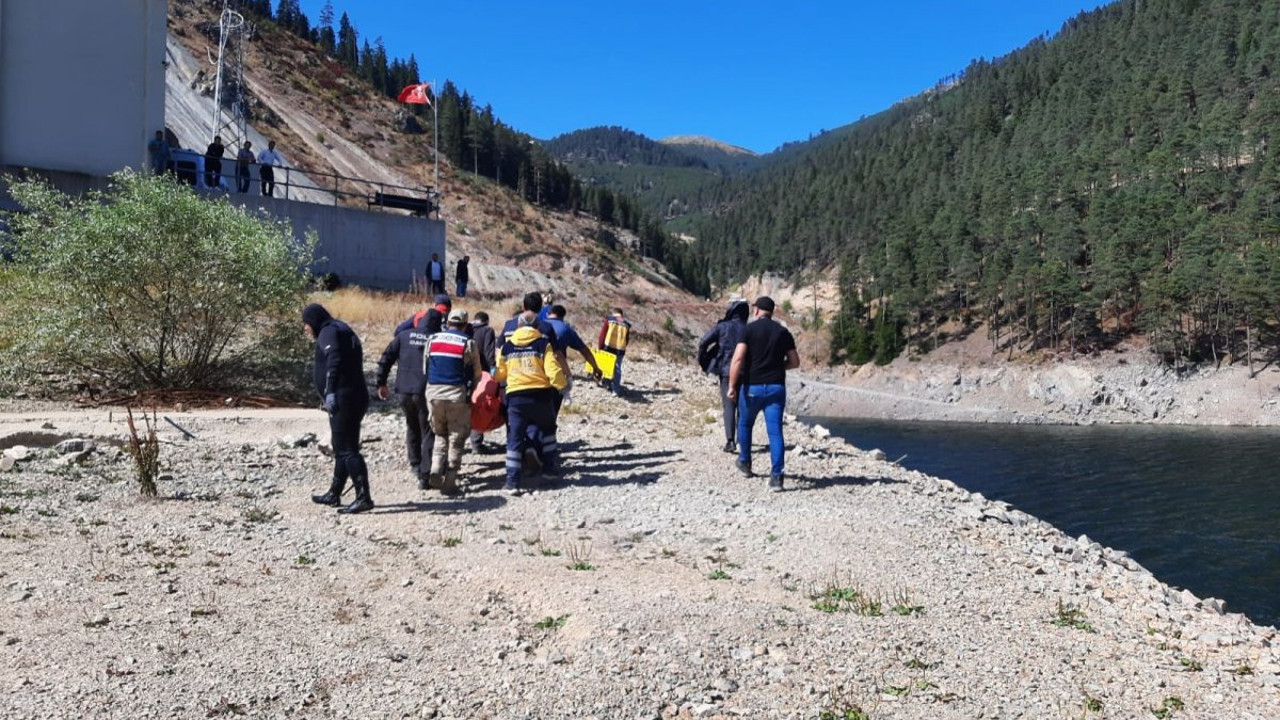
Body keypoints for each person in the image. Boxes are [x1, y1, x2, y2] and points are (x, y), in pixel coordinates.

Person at [303, 303, 375, 513]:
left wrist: (331, 391)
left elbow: (334, 359)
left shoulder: (328, 333)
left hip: (344, 397)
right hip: (354, 395)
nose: (306, 329)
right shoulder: (340, 329)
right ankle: (335, 493)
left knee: (347, 449)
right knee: (341, 445)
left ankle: (364, 497)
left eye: (306, 324)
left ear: (314, 321)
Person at [726, 297, 800, 492]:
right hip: (776, 387)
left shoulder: (748, 330)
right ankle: (777, 477)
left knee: (745, 424)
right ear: (772, 312)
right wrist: (778, 366)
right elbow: (794, 362)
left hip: (752, 387)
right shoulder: (783, 332)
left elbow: (738, 359)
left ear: (757, 310)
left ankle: (745, 462)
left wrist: (732, 386)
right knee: (775, 432)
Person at [494, 312, 567, 495]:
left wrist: (494, 375)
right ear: (536, 327)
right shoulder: (543, 344)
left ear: (518, 327)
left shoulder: (507, 346)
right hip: (541, 396)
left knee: (515, 439)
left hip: (516, 398)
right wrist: (562, 386)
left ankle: (512, 482)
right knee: (548, 432)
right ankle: (550, 472)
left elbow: (500, 373)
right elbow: (553, 370)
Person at [424, 308, 483, 494]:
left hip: (433, 394)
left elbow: (425, 369)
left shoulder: (432, 340)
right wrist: (471, 390)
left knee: (440, 434)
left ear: (448, 322)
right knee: (456, 438)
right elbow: (477, 374)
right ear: (465, 324)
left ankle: (435, 468)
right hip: (457, 394)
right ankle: (450, 479)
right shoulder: (468, 343)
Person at [374, 312, 434, 489]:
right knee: (428, 431)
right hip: (424, 391)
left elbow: (385, 359)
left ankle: (415, 464)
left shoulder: (403, 336)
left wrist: (381, 383)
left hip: (403, 390)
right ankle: (425, 474)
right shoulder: (434, 339)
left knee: (412, 426)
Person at [698, 299, 750, 454]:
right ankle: (742, 439)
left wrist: (705, 362)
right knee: (742, 406)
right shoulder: (749, 329)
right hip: (745, 372)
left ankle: (730, 441)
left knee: (729, 405)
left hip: (726, 372)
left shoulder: (722, 327)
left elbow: (703, 343)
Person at [545, 304, 603, 415]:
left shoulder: (537, 325)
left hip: (532, 373)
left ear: (548, 314)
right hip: (556, 375)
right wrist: (596, 368)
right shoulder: (566, 329)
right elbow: (585, 351)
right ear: (562, 316)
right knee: (551, 415)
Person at [468, 310, 498, 452]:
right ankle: (476, 443)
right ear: (486, 321)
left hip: (465, 373)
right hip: (482, 374)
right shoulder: (488, 330)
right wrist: (493, 370)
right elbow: (489, 352)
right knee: (479, 405)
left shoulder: (466, 328)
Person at [598, 307, 632, 396]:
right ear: (621, 314)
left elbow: (603, 334)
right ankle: (616, 389)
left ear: (614, 313)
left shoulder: (609, 319)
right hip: (620, 349)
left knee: (606, 366)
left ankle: (607, 383)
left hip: (608, 347)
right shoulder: (626, 324)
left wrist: (600, 346)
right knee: (617, 368)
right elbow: (626, 339)